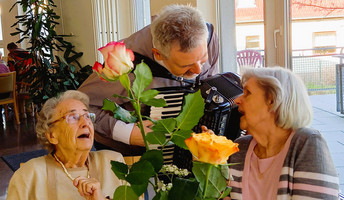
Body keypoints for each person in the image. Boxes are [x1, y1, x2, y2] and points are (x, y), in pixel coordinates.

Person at [78, 4, 219, 155]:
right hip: (128, 153)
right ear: (158, 55)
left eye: (203, 59)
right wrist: (127, 133)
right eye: (186, 65)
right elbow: (82, 106)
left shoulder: (209, 38)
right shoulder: (124, 63)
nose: (198, 70)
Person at [227, 67, 339, 199]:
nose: (237, 100)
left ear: (272, 100)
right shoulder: (240, 148)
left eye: (248, 93)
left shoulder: (307, 144)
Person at [7, 90, 124, 200]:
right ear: (52, 135)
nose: (85, 123)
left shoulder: (113, 162)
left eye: (87, 116)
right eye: (73, 117)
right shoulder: (30, 175)